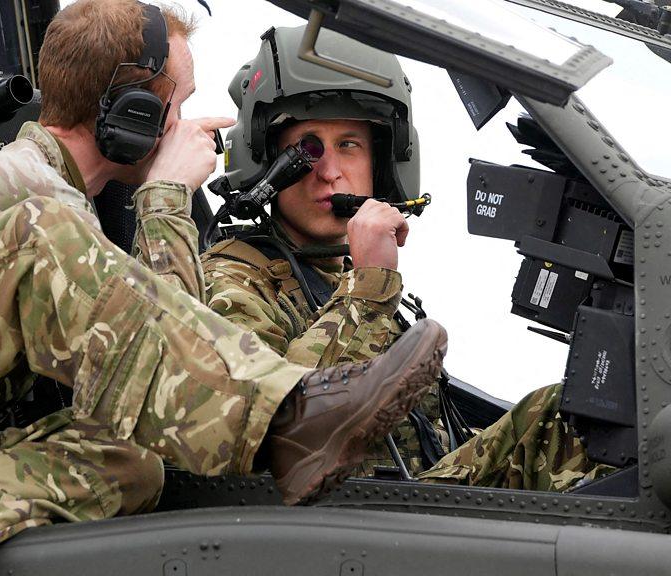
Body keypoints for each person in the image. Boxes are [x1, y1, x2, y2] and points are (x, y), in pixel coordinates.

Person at [0, 3, 447, 575]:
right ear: (132, 117)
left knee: (138, 456)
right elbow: (176, 345)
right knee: (48, 241)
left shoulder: (66, 215)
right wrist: (164, 198)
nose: (189, 127)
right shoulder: (23, 190)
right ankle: (288, 420)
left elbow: (159, 389)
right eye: (176, 107)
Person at [202, 25, 615, 487]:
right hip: (338, 524)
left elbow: (425, 443)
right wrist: (370, 284)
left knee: (580, 417)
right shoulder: (231, 281)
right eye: (307, 150)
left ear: (381, 162)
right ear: (265, 161)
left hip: (402, 505)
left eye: (349, 145)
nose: (330, 172)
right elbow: (276, 431)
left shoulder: (344, 280)